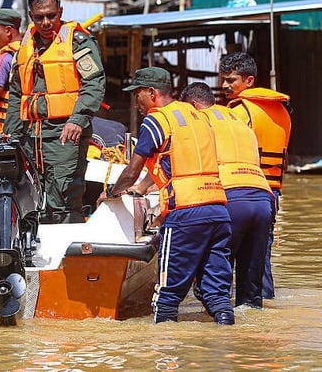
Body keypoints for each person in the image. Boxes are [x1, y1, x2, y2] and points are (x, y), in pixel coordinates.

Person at [98, 67, 234, 324]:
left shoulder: (156, 120)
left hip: (185, 212)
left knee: (166, 297)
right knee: (217, 295)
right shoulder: (198, 116)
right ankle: (229, 347)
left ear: (151, 93)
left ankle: (163, 355)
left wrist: (110, 192)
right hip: (218, 208)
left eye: (137, 94)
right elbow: (179, 161)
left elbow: (132, 170)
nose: (135, 101)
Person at [5, 0, 106, 224]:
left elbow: (94, 84)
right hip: (32, 136)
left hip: (65, 134)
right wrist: (9, 135)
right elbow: (17, 94)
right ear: (31, 17)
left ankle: (70, 248)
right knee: (32, 197)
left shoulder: (78, 42)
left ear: (60, 11)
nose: (46, 22)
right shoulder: (25, 46)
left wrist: (77, 120)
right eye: (39, 17)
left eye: (51, 15)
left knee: (63, 195)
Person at [180, 82, 275, 308]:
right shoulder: (238, 120)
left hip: (231, 197)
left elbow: (191, 167)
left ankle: (217, 335)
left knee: (211, 280)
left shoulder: (200, 121)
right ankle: (250, 335)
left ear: (193, 105)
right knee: (251, 293)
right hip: (263, 198)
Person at [221, 52, 291, 300]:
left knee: (223, 256)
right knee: (259, 260)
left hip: (241, 190)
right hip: (270, 194)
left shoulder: (240, 111)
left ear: (249, 81)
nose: (225, 86)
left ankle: (223, 310)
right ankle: (262, 310)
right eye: (224, 80)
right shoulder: (282, 110)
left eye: (231, 80)